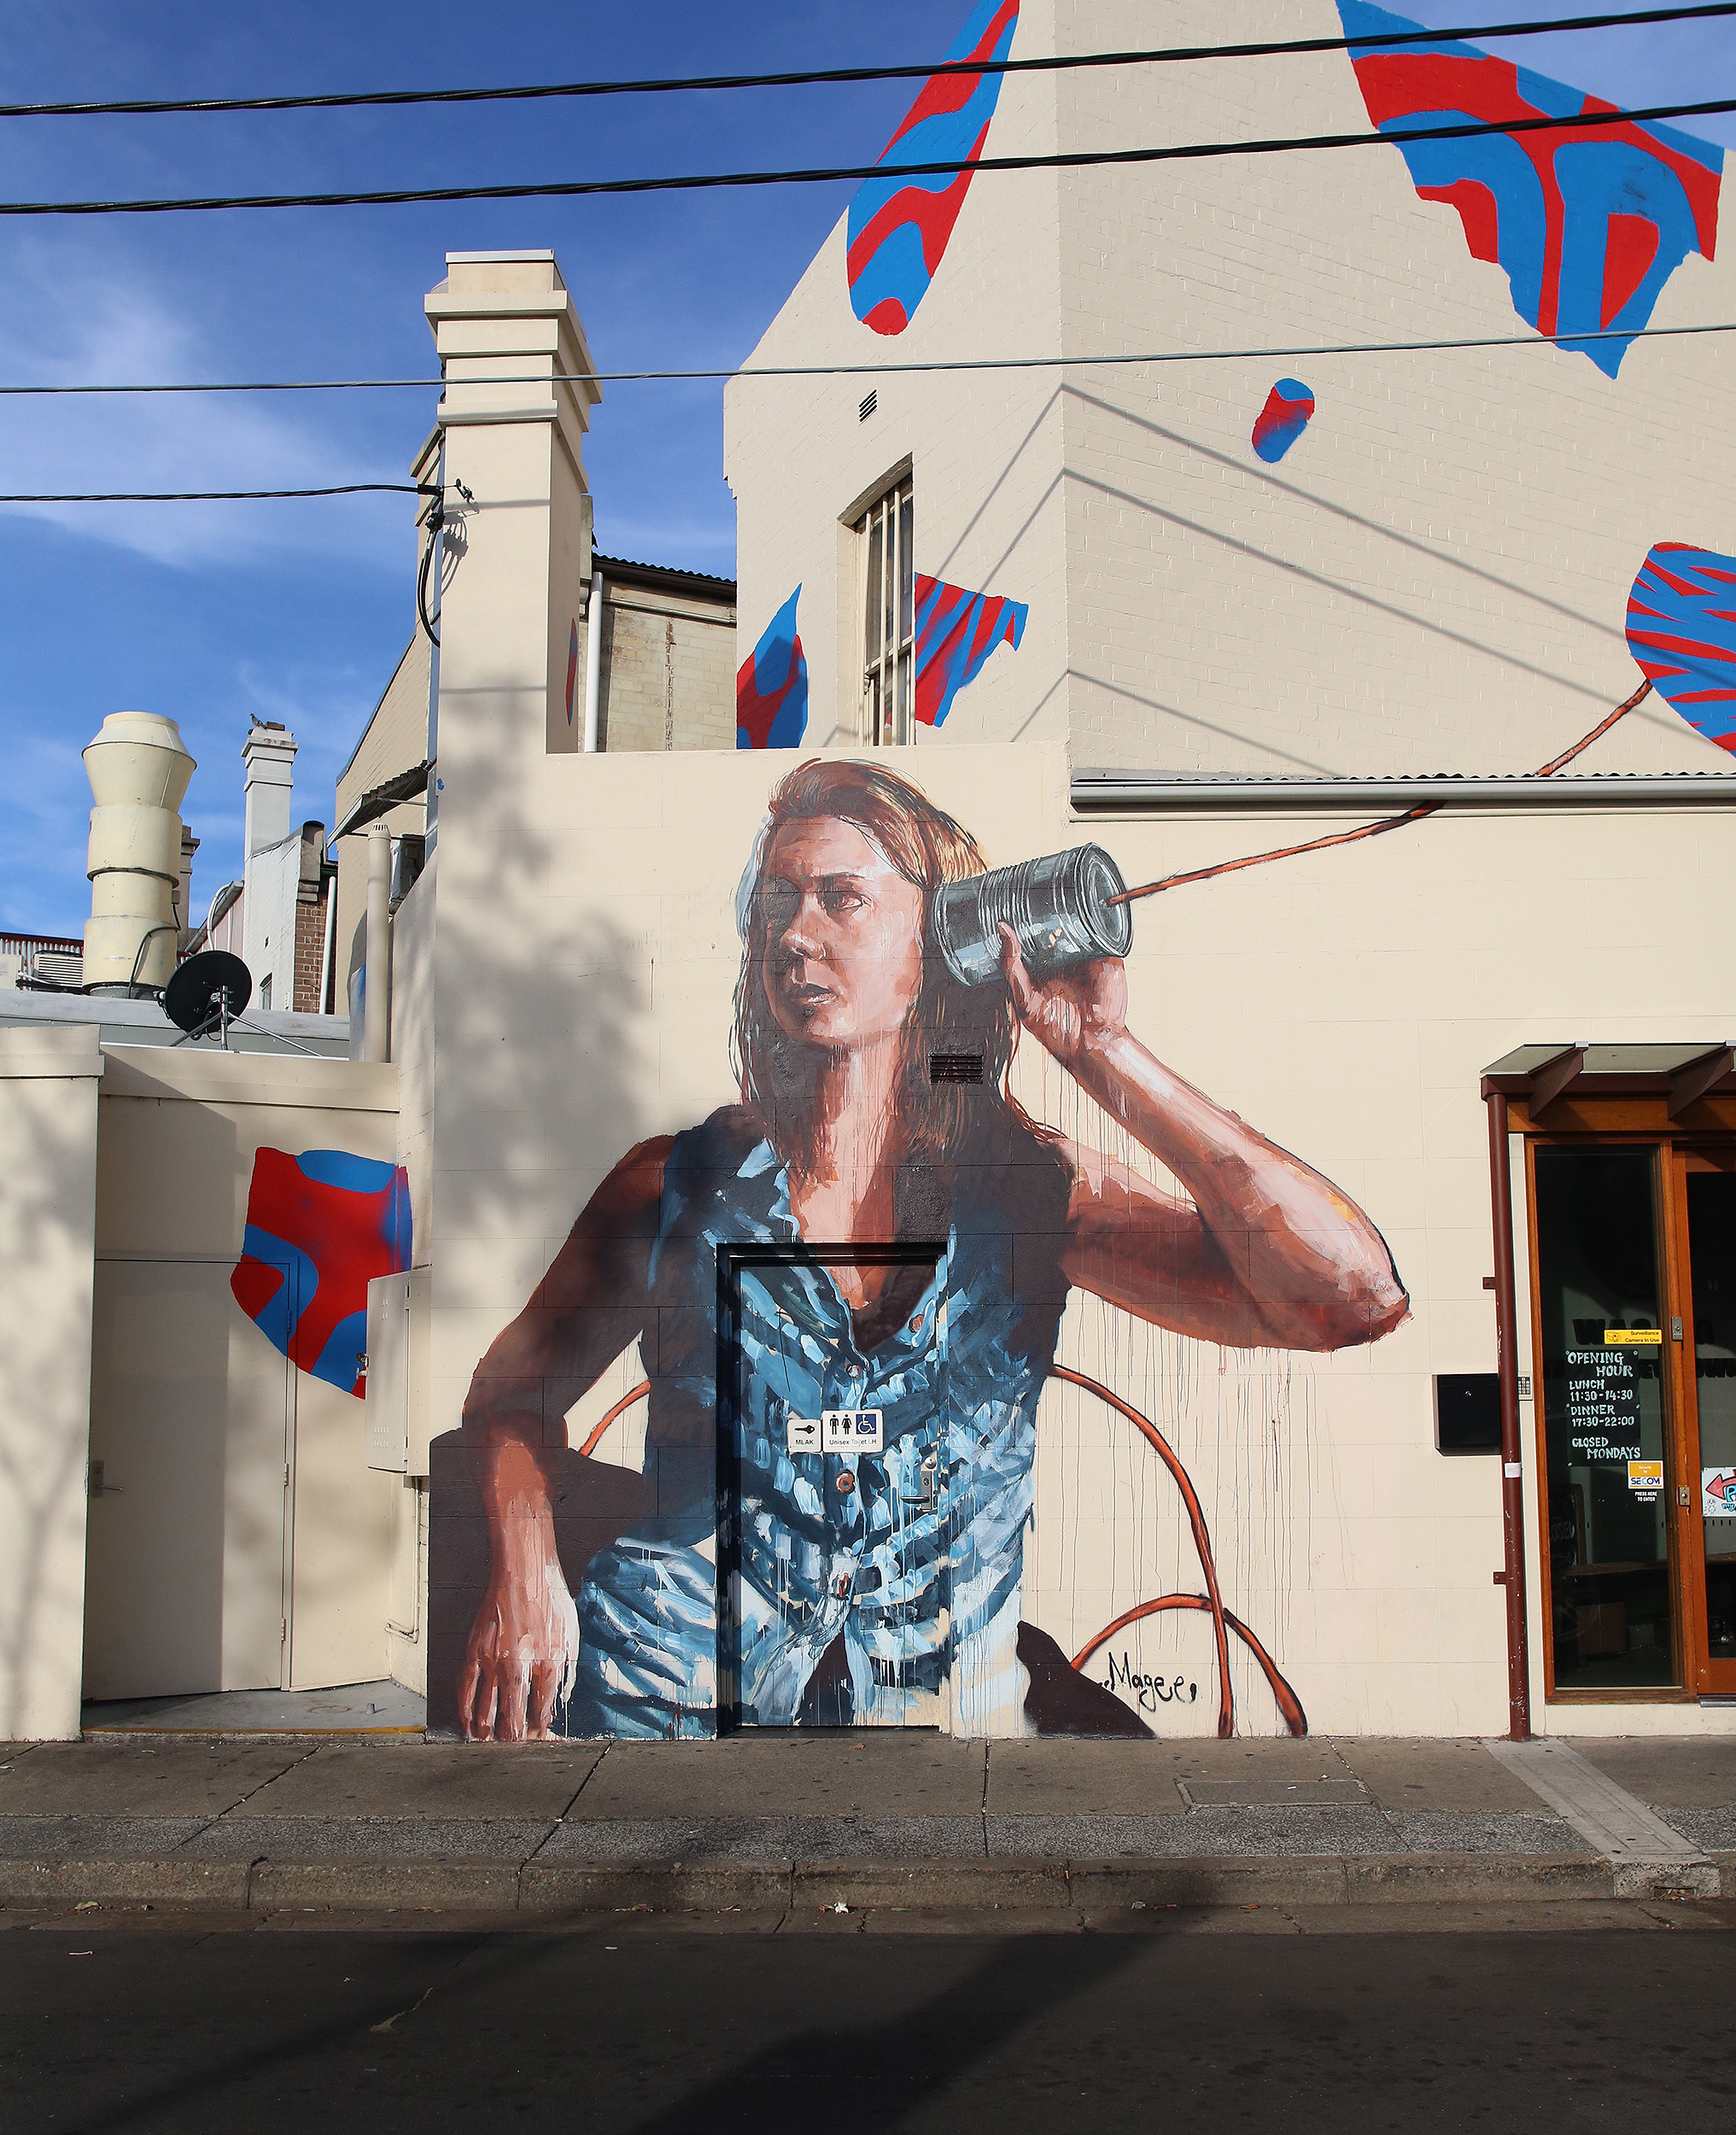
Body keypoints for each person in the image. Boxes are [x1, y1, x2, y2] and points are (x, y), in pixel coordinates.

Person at [456, 759, 1407, 1741]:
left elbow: (1345, 1297)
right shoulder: (673, 1186)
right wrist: (524, 1567)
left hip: (942, 1751)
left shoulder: (1030, 1193)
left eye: (841, 898)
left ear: (939, 939)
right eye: (778, 902)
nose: (794, 934)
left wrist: (1105, 1056)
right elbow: (508, 1398)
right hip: (662, 1716)